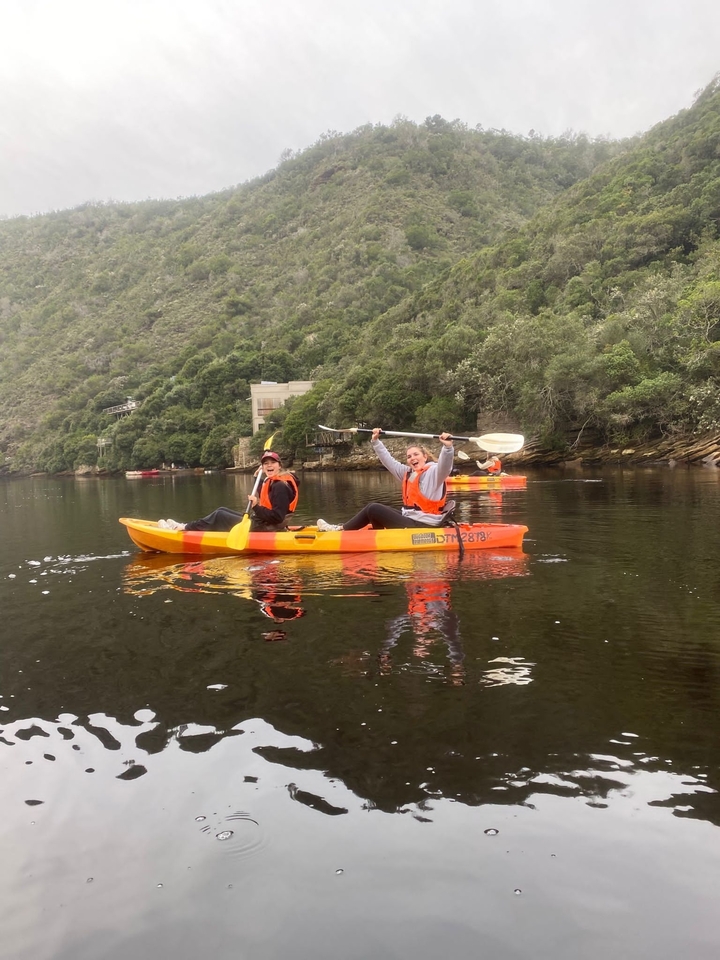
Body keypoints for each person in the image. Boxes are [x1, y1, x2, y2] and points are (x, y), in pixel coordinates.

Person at [317, 428, 454, 531]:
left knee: (373, 508)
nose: (412, 458)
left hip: (424, 525)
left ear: (425, 457)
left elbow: (445, 466)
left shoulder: (434, 473)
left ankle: (340, 530)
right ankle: (377, 537)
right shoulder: (408, 473)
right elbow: (389, 461)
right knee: (375, 510)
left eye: (416, 454)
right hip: (411, 519)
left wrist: (447, 447)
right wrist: (376, 441)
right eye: (409, 456)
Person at [158, 451, 299, 533]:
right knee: (222, 510)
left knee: (220, 515)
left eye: (272, 463)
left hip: (267, 527)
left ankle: (184, 527)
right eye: (266, 464)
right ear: (262, 466)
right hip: (263, 523)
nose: (269, 466)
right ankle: (188, 525)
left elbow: (277, 517)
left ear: (279, 465)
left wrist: (256, 506)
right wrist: (257, 478)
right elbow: (268, 495)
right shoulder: (275, 482)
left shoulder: (280, 486)